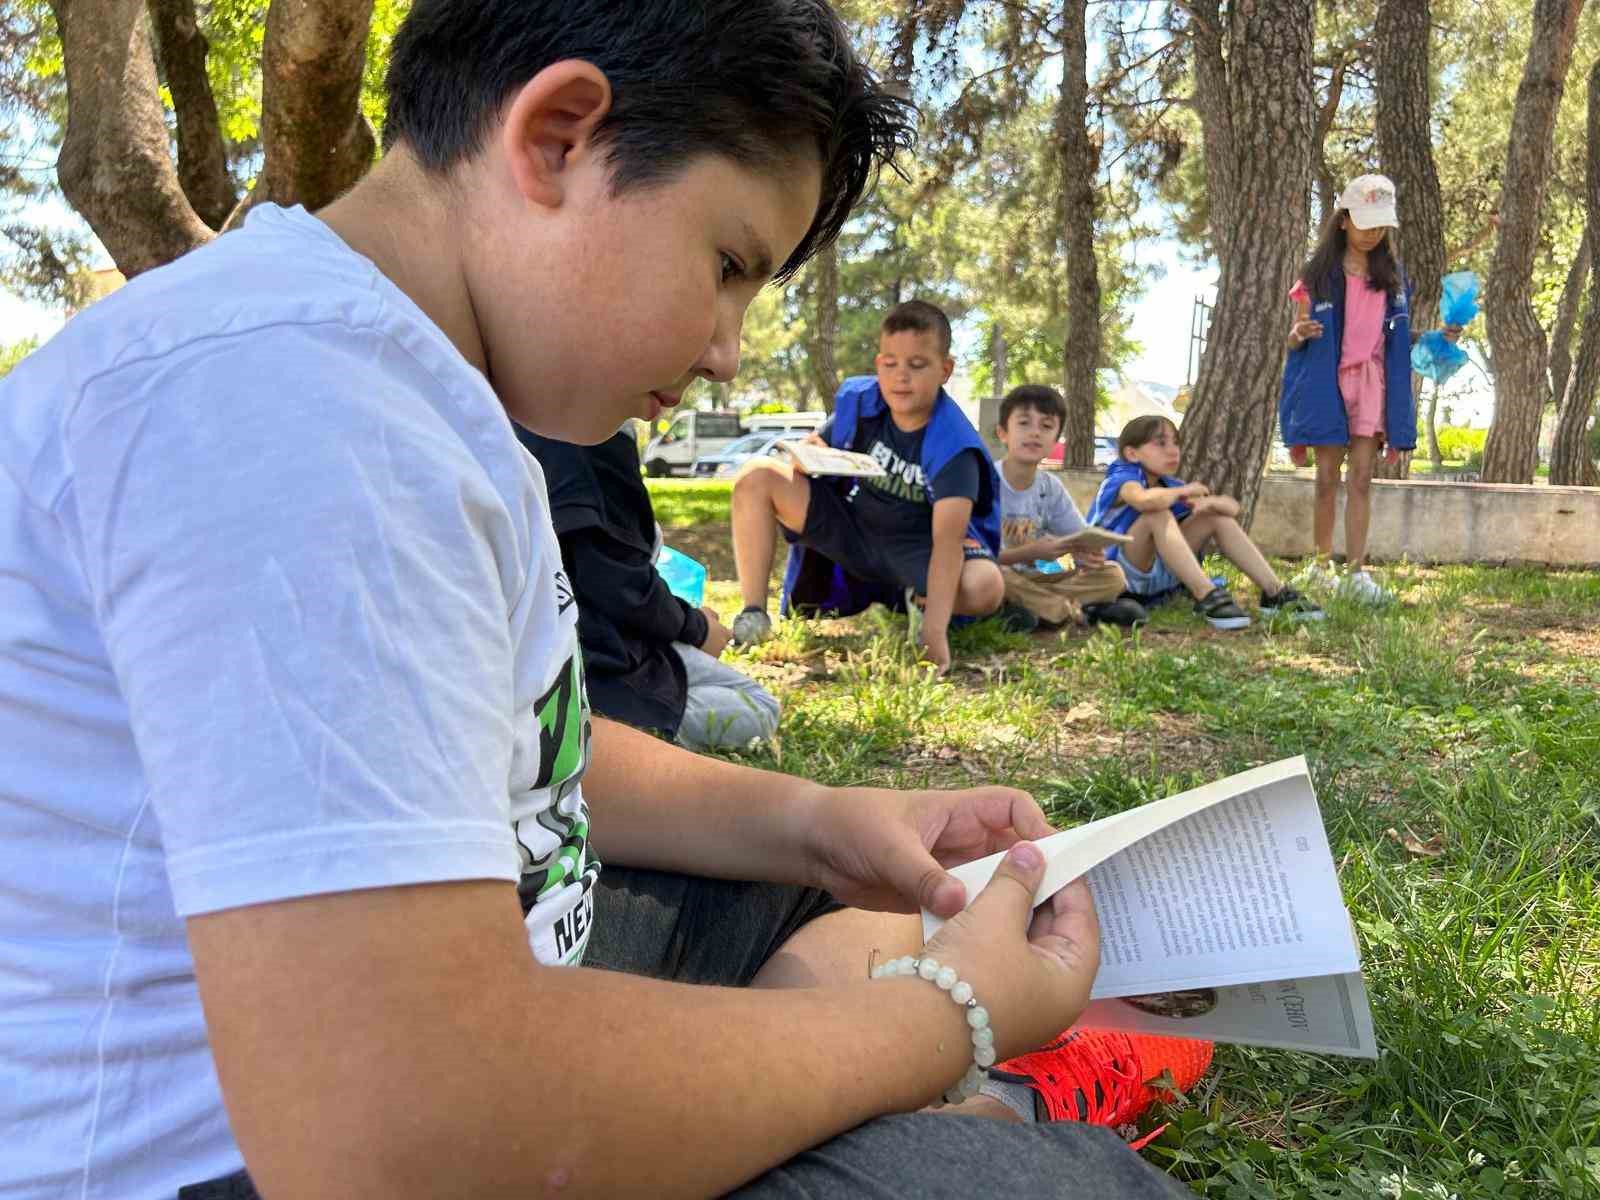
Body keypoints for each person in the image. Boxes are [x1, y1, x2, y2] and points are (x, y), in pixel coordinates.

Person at [0, 3, 1196, 1197]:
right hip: (237, 1152)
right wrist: (948, 1019)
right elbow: (397, 1138)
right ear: (559, 137)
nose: (730, 348)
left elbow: (495, 749)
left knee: (837, 901)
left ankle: (923, 1098)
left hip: (473, 986)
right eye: (728, 266)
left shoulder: (418, 388)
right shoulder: (298, 413)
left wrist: (816, 819)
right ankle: (975, 1106)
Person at [729, 300, 1004, 672]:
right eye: (890, 364)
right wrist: (809, 454)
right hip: (853, 527)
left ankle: (916, 603)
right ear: (878, 365)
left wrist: (934, 633)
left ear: (945, 369)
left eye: (917, 365)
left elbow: (948, 542)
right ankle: (754, 615)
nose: (900, 376)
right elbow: (820, 445)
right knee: (757, 476)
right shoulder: (861, 400)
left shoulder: (955, 447)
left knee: (987, 585)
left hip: (916, 547)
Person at [518, 422, 780, 750]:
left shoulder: (576, 432)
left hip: (622, 645)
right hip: (599, 670)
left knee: (752, 697)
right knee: (759, 710)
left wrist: (691, 623)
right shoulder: (580, 445)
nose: (722, 370)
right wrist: (696, 629)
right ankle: (610, 730)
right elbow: (618, 584)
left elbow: (623, 569)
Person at [1280, 173, 1463, 605]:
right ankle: (1321, 565)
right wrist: (1298, 333)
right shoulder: (1317, 274)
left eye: (1381, 225)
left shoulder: (1392, 278)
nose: (1373, 233)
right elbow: (1294, 335)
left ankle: (1357, 571)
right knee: (1327, 478)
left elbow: (1394, 336)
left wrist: (1437, 338)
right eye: (1365, 223)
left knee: (1361, 478)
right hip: (1328, 381)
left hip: (1371, 384)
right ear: (1343, 220)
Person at [1087, 416, 1325, 631]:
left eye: (1175, 443)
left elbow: (1233, 510)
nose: (1172, 451)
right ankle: (1206, 595)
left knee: (1215, 517)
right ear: (1132, 454)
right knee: (1157, 514)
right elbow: (1143, 500)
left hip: (1155, 577)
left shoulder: (1168, 484)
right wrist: (1185, 491)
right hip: (1116, 575)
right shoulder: (1122, 476)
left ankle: (1275, 593)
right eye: (1161, 443)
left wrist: (1211, 503)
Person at [991, 384, 1147, 630]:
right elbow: (975, 555)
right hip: (996, 575)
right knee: (994, 575)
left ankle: (1040, 609)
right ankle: (1069, 610)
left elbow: (1079, 536)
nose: (1034, 433)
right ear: (1002, 433)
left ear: (1055, 440)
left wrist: (1087, 554)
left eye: (1046, 426)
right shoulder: (985, 480)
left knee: (1112, 574)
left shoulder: (1050, 486)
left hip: (1036, 581)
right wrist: (1031, 552)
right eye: (1024, 423)